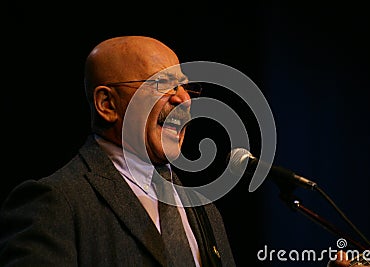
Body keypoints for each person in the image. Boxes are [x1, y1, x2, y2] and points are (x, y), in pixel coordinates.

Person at [0, 36, 236, 266]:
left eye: (184, 87)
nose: (183, 99)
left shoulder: (204, 209)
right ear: (107, 104)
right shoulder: (55, 203)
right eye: (164, 84)